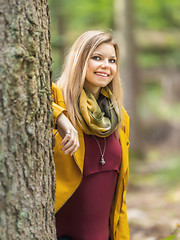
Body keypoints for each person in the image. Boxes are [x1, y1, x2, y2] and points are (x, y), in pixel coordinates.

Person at [52, 30, 130, 240]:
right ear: (80, 60)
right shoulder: (58, 101)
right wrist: (61, 118)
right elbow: (30, 94)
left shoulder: (119, 116)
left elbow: (119, 195)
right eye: (97, 58)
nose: (106, 65)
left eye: (112, 60)